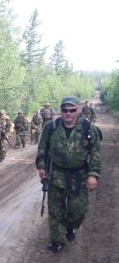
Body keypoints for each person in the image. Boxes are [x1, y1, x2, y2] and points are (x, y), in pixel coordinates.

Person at [36, 96, 101, 253]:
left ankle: (69, 226)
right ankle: (56, 240)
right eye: (65, 110)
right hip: (55, 174)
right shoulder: (51, 127)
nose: (68, 113)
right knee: (55, 210)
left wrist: (93, 174)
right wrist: (41, 166)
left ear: (77, 110)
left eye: (72, 110)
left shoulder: (88, 128)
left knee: (78, 212)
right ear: (61, 111)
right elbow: (42, 149)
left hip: (79, 175)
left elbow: (95, 153)